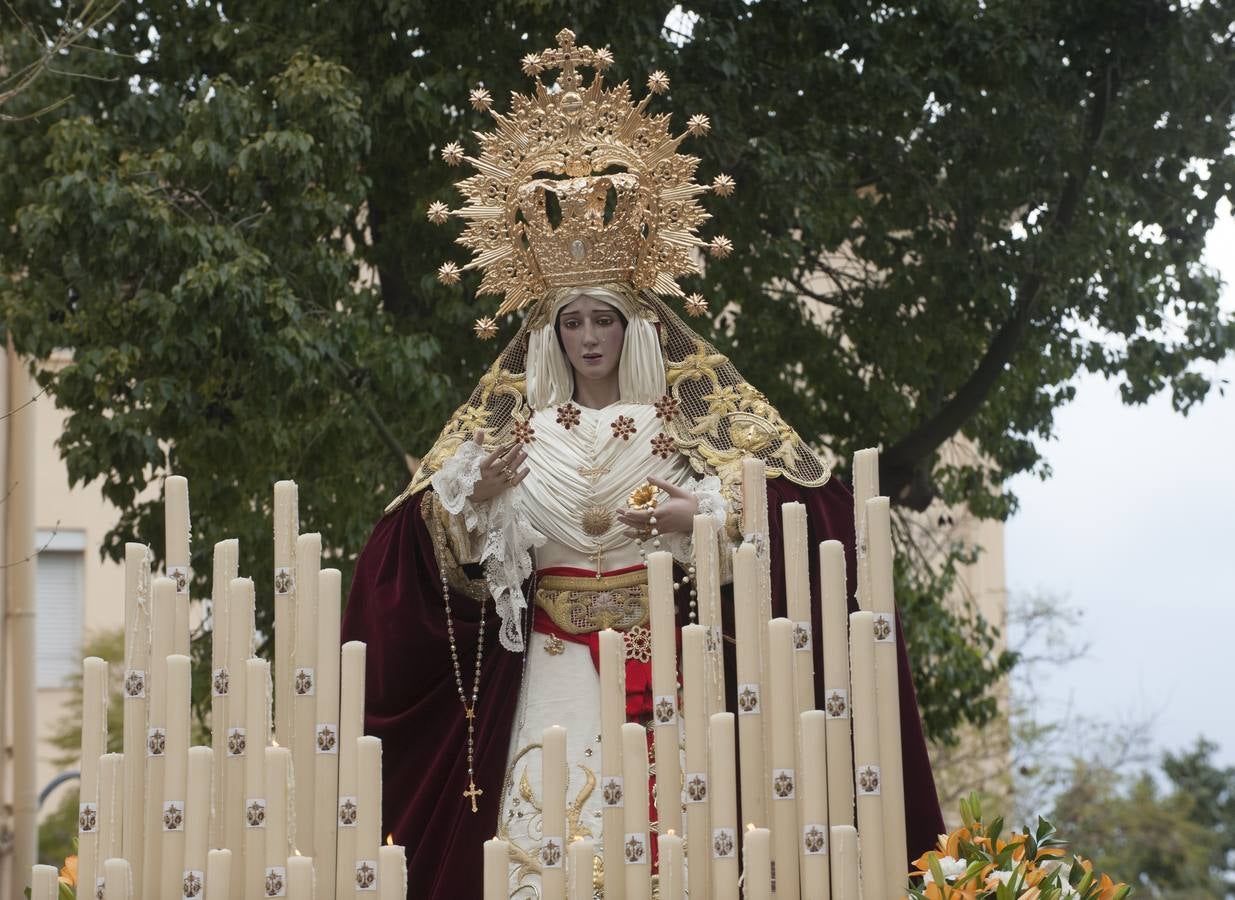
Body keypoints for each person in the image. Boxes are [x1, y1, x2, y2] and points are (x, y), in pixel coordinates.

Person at [341, 28, 943, 899]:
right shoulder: (519, 435)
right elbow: (440, 560)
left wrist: (689, 521)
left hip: (660, 664)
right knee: (541, 851)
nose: (589, 338)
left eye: (604, 320)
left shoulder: (680, 426)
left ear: (636, 328)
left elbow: (780, 509)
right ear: (549, 333)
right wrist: (475, 505)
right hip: (548, 669)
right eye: (572, 322)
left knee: (675, 850)